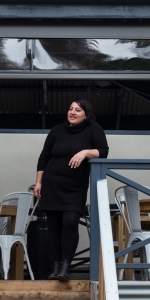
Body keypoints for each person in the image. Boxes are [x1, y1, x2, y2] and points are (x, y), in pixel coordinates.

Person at [33, 99, 109, 282]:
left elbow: (103, 151)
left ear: (86, 114)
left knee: (70, 222)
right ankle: (55, 266)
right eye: (70, 109)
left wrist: (85, 152)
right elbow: (43, 158)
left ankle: (66, 264)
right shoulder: (57, 131)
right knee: (53, 228)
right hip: (52, 185)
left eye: (78, 110)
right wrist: (38, 182)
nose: (72, 112)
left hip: (75, 187)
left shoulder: (94, 129)